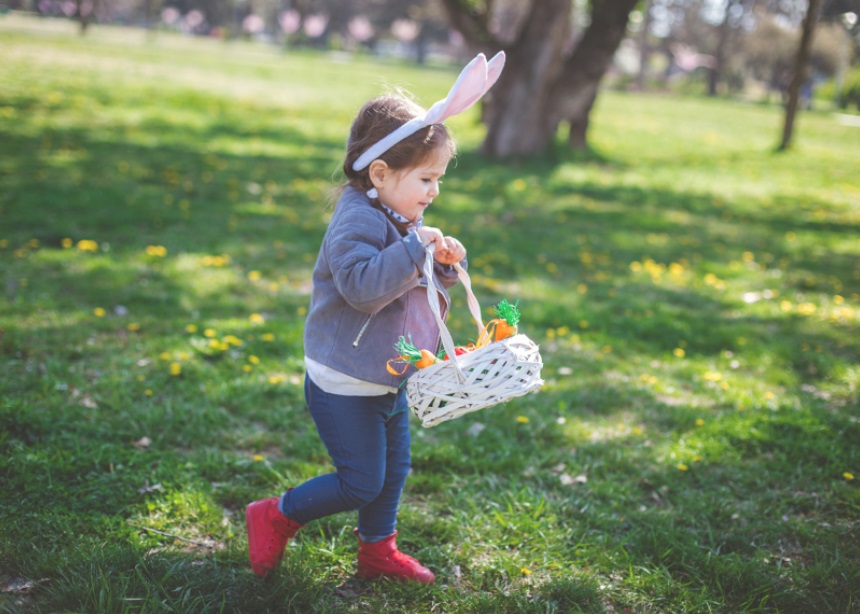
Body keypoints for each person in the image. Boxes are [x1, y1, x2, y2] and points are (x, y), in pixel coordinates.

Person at [245, 52, 505, 584]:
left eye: (438, 180)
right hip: (345, 380)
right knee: (361, 480)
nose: (435, 192)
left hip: (386, 374)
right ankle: (275, 514)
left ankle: (377, 551)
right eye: (426, 179)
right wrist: (415, 250)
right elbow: (364, 289)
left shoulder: (398, 214)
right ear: (381, 173)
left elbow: (409, 285)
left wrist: (442, 266)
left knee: (392, 475)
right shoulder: (355, 221)